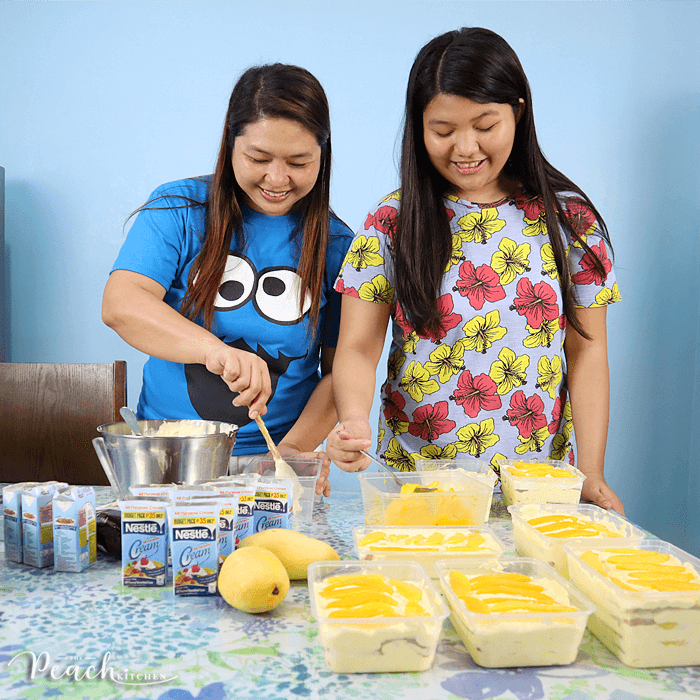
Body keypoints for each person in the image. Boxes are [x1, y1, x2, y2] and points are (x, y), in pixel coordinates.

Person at [326, 27, 624, 513]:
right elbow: (358, 346)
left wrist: (591, 471)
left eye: (485, 126)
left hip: (536, 488)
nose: (464, 148)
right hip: (414, 487)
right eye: (442, 131)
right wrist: (353, 418)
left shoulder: (569, 221)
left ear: (519, 113)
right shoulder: (394, 220)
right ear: (418, 126)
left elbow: (587, 353)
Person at [102, 63, 353, 496]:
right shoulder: (179, 208)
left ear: (323, 155)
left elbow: (338, 372)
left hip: (270, 464)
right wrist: (216, 353)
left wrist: (289, 453)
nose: (277, 179)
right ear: (230, 145)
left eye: (299, 162)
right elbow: (122, 305)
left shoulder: (335, 243)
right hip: (168, 455)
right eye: (258, 159)